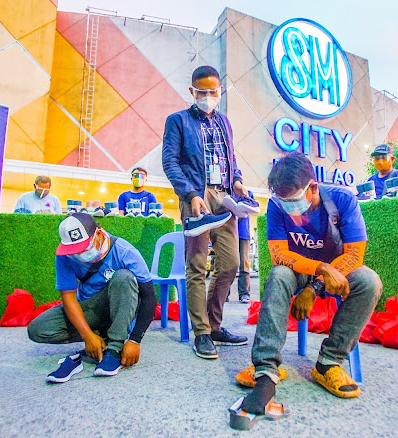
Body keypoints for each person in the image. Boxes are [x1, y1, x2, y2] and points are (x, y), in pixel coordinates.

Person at [237, 152, 382, 414]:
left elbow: (354, 256)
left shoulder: (342, 199)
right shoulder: (276, 206)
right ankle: (266, 368)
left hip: (337, 270)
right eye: (284, 202)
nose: (290, 210)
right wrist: (319, 269)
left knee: (368, 281)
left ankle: (329, 362)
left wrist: (314, 288)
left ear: (312, 187)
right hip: (302, 270)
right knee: (278, 274)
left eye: (293, 201)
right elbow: (279, 255)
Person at [162, 65, 248, 359]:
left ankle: (215, 325)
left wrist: (236, 180)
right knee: (196, 265)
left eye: (213, 92)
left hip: (225, 197)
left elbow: (230, 158)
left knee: (231, 263)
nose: (208, 96)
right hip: (196, 196)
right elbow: (170, 162)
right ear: (192, 92)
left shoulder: (224, 121)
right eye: (202, 92)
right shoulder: (178, 121)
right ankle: (202, 332)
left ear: (220, 90)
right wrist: (190, 194)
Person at [27, 213, 157, 382]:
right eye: (75, 251)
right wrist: (87, 335)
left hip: (118, 306)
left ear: (99, 233)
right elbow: (69, 299)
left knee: (124, 277)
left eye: (85, 248)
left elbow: (149, 298)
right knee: (38, 329)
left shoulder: (124, 252)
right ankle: (101, 336)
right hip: (89, 307)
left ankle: (114, 348)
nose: (80, 255)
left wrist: (134, 340)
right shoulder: (64, 257)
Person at [237, 190, 255, 304]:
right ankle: (224, 294)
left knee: (244, 264)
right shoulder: (225, 192)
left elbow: (254, 206)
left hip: (243, 232)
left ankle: (244, 293)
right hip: (227, 231)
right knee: (227, 265)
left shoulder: (248, 193)